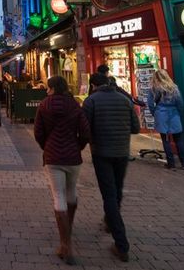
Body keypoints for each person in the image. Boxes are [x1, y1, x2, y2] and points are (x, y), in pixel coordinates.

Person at [83, 72, 140, 262]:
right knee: (117, 190)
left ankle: (121, 244)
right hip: (122, 152)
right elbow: (136, 128)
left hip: (101, 152)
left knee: (109, 194)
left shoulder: (91, 101)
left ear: (93, 85)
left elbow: (85, 128)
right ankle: (110, 221)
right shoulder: (125, 100)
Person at [34, 76, 90, 264]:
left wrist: (47, 146)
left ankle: (65, 244)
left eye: (48, 87)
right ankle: (69, 230)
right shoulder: (74, 105)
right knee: (71, 193)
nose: (46, 90)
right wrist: (77, 146)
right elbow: (85, 132)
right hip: (73, 157)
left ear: (52, 88)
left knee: (58, 196)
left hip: (53, 157)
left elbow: (38, 133)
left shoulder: (44, 105)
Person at [147, 69, 184, 170]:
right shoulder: (174, 88)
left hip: (161, 114)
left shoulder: (153, 88)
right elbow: (180, 102)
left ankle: (171, 163)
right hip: (173, 114)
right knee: (179, 140)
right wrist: (179, 113)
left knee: (166, 140)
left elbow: (150, 103)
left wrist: (155, 113)